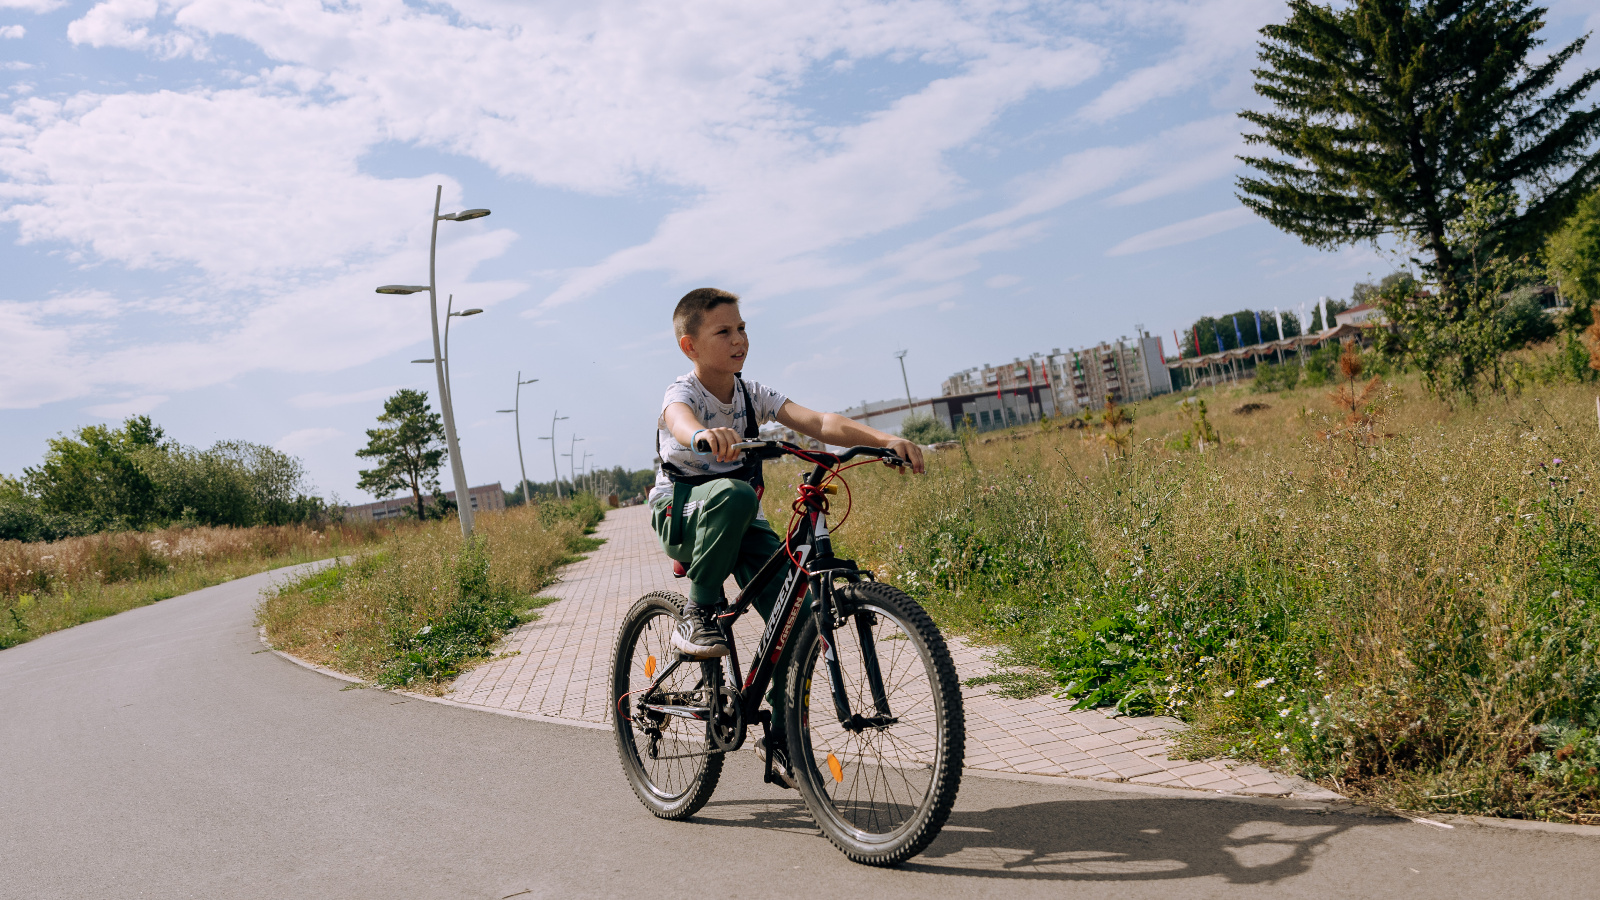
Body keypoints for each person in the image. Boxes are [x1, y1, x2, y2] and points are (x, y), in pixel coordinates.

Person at [650, 287, 924, 782]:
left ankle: (778, 739)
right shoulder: (684, 393)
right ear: (690, 346)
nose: (739, 339)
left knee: (796, 617)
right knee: (734, 494)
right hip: (683, 513)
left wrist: (886, 440)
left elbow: (819, 422)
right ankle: (696, 612)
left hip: (738, 522)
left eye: (743, 328)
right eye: (724, 331)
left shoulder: (752, 395)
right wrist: (702, 437)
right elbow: (678, 420)